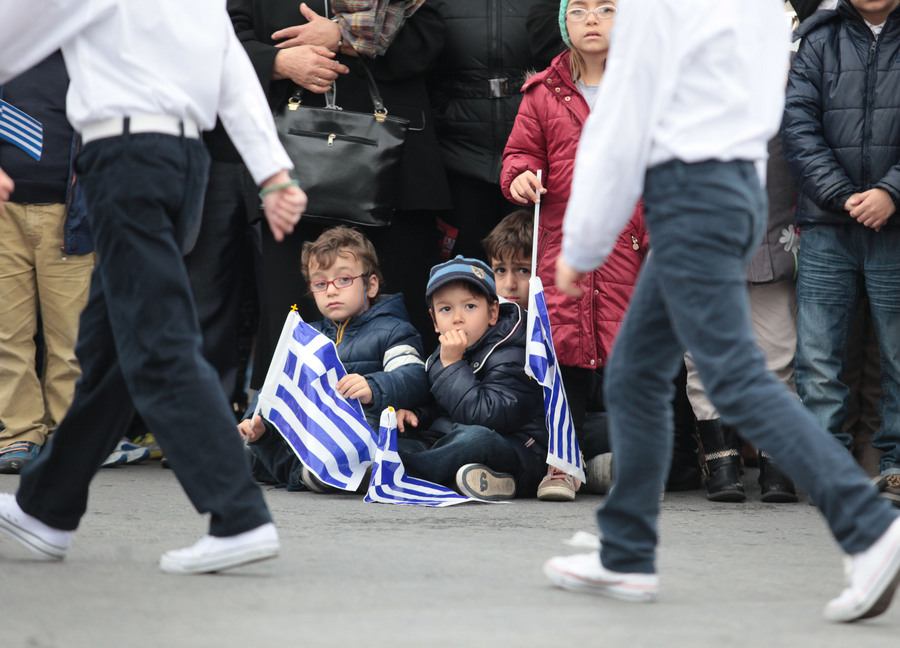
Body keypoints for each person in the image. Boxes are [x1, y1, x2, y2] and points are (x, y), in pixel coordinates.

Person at [543, 0, 900, 623]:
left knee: (733, 379)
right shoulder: (765, 5)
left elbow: (625, 116)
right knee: (635, 372)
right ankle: (626, 550)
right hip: (735, 190)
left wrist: (584, 242)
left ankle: (869, 528)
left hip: (689, 192)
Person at [0, 1, 306, 575]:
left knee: (157, 343)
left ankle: (238, 514)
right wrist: (272, 170)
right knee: (111, 349)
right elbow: (231, 67)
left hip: (126, 158)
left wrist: (273, 172)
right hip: (183, 161)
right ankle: (47, 509)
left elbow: (9, 35)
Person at [231, 0, 451, 359]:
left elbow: (429, 41)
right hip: (293, 169)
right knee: (294, 321)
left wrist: (342, 37)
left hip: (394, 173)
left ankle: (397, 407)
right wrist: (279, 62)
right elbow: (223, 43)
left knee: (399, 322)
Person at [500, 0, 647, 502]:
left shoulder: (646, 88)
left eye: (606, 9)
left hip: (630, 244)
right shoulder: (542, 92)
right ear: (563, 21)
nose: (591, 19)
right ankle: (562, 465)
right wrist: (519, 176)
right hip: (563, 244)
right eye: (579, 9)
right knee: (563, 358)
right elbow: (519, 154)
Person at [782, 0, 900, 508]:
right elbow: (798, 125)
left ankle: (895, 468)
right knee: (819, 355)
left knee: (898, 353)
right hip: (829, 221)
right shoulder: (818, 39)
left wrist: (892, 193)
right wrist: (842, 194)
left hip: (896, 223)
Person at [238, 226, 428, 492]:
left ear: (371, 285)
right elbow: (274, 387)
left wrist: (373, 387)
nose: (331, 291)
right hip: (311, 438)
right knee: (245, 450)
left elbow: (414, 377)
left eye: (343, 279)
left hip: (365, 434)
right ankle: (309, 473)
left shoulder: (394, 330)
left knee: (410, 450)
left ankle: (312, 475)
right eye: (320, 283)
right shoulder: (307, 335)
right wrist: (253, 421)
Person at [685, 131, 801, 504]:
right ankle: (722, 465)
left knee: (779, 357)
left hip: (774, 240)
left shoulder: (789, 91)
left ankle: (778, 466)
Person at [0, 52, 95, 475]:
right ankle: (17, 432)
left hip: (72, 209)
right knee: (7, 331)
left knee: (70, 334)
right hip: (4, 209)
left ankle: (70, 434)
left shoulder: (89, 42)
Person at [395, 256, 548, 500]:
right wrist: (417, 415)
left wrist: (453, 365)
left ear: (493, 312)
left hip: (517, 449)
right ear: (434, 321)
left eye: (470, 307)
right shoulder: (442, 354)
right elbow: (439, 406)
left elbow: (487, 415)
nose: (457, 318)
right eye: (446, 309)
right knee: (399, 437)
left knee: (475, 439)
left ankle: (401, 474)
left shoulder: (514, 349)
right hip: (452, 438)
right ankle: (480, 480)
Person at [427, 0, 552, 260]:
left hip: (534, 153)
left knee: (532, 264)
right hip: (459, 154)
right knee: (468, 268)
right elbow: (425, 61)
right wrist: (444, 113)